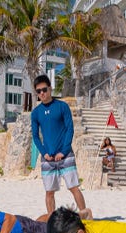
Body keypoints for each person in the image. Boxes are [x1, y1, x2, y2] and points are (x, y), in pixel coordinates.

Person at [31, 74, 88, 216]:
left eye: (44, 89)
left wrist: (64, 151)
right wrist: (44, 153)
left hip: (66, 155)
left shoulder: (62, 106)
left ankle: (85, 217)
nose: (42, 93)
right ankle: (52, 222)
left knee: (74, 187)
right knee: (49, 192)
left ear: (50, 88)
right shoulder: (36, 113)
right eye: (38, 91)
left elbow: (70, 129)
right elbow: (35, 136)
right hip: (47, 158)